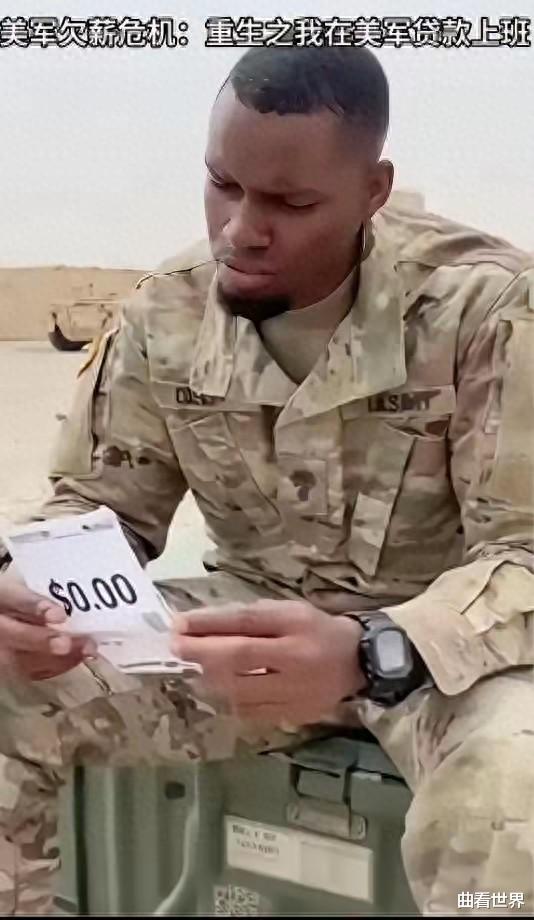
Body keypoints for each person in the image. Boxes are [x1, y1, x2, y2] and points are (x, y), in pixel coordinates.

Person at [0, 45, 533, 916]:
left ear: (373, 191)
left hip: (444, 662)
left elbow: (525, 554)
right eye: (223, 185)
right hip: (243, 642)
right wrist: (30, 588)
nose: (241, 229)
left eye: (291, 203)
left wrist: (370, 650)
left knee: (518, 791)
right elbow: (99, 507)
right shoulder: (166, 314)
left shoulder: (489, 309)